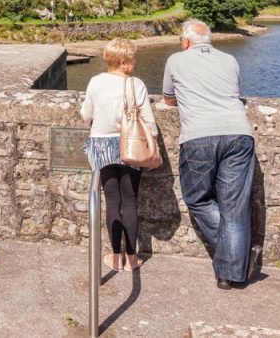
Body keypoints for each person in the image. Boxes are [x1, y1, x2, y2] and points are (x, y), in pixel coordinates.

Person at [162, 19, 259, 290]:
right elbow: (233, 93)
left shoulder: (176, 60)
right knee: (235, 209)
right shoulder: (230, 60)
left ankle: (234, 257)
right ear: (210, 41)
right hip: (239, 134)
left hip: (199, 136)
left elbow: (169, 99)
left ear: (185, 42)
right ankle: (232, 272)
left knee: (197, 198)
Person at [80, 38, 159, 271]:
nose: (135, 62)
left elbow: (86, 115)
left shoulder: (95, 82)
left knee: (112, 201)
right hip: (130, 146)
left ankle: (115, 257)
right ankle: (132, 259)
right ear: (123, 62)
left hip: (102, 145)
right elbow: (150, 124)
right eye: (133, 58)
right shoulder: (137, 85)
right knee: (131, 201)